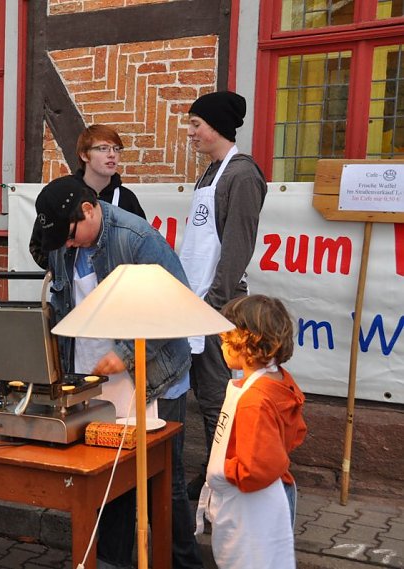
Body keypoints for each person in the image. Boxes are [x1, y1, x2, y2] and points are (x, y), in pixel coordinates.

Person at [35, 175, 200, 568]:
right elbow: (61, 304)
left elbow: (176, 306)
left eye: (70, 235)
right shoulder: (64, 243)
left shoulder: (137, 238)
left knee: (164, 482)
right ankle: (112, 562)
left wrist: (125, 355)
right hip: (95, 381)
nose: (68, 245)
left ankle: (183, 563)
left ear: (88, 210)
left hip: (155, 376)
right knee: (110, 478)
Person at [180, 91, 267, 499]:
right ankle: (213, 470)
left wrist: (213, 304)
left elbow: (236, 249)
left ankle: (221, 478)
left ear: (216, 127)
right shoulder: (211, 172)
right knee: (200, 392)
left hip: (218, 306)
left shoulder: (242, 176)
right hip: (194, 301)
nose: (190, 132)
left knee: (216, 395)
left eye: (196, 124)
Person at [195, 294, 306, 569]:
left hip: (254, 501)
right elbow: (297, 433)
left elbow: (255, 470)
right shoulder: (280, 381)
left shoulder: (255, 400)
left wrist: (222, 469)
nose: (221, 346)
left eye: (225, 340)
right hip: (275, 491)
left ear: (245, 342)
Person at [30, 124, 145, 269]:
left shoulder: (127, 198)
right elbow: (38, 246)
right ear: (84, 155)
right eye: (103, 148)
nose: (112, 154)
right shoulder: (64, 195)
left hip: (115, 281)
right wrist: (63, 269)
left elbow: (140, 245)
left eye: (116, 149)